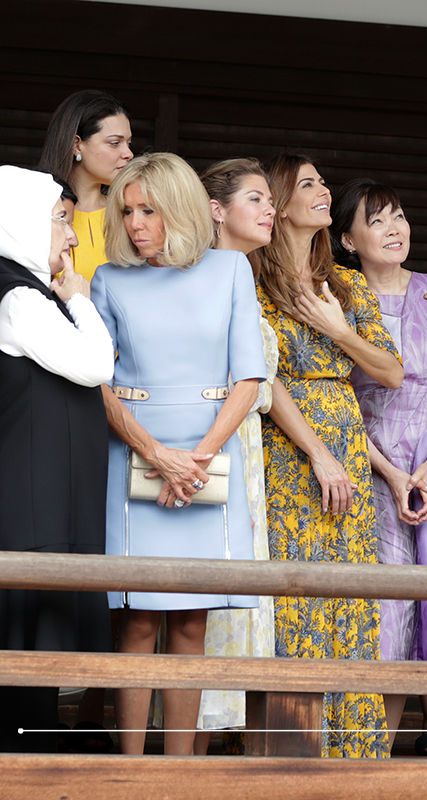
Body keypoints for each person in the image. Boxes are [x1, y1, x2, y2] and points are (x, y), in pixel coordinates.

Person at [91, 153, 267, 755]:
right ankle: (131, 768)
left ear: (181, 208)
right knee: (138, 617)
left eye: (149, 210)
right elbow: (98, 383)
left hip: (208, 448)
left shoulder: (229, 270)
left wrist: (194, 460)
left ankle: (179, 772)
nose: (135, 223)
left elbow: (249, 377)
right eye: (127, 211)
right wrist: (156, 454)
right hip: (135, 447)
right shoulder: (109, 279)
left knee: (194, 618)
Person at [251, 154, 403, 759]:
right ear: (280, 200)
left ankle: (353, 752)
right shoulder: (253, 280)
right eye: (308, 184)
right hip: (289, 445)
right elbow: (264, 378)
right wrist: (317, 453)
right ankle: (295, 748)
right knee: (297, 590)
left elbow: (391, 371)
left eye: (322, 183)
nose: (323, 192)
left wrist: (338, 330)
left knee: (350, 593)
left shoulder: (347, 283)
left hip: (346, 432)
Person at [332, 177, 427, 755]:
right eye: (377, 221)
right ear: (347, 239)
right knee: (386, 608)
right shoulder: (337, 297)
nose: (394, 229)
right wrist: (391, 473)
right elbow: (334, 399)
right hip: (363, 462)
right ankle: (374, 749)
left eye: (398, 216)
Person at [0, 166, 113, 752]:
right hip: (33, 513)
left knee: (32, 645)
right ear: (22, 223)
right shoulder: (21, 297)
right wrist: (81, 301)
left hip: (39, 508)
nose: (71, 237)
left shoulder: (24, 292)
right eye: (60, 221)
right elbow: (96, 365)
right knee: (27, 645)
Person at [191, 157, 280, 751]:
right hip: (209, 444)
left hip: (248, 449)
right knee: (209, 598)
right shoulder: (202, 275)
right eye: (255, 198)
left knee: (244, 600)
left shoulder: (246, 275)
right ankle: (188, 756)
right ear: (217, 210)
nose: (269, 208)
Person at [37, 90, 134, 280]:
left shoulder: (131, 213)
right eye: (115, 143)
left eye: (129, 143)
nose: (128, 153)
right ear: (76, 145)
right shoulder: (37, 212)